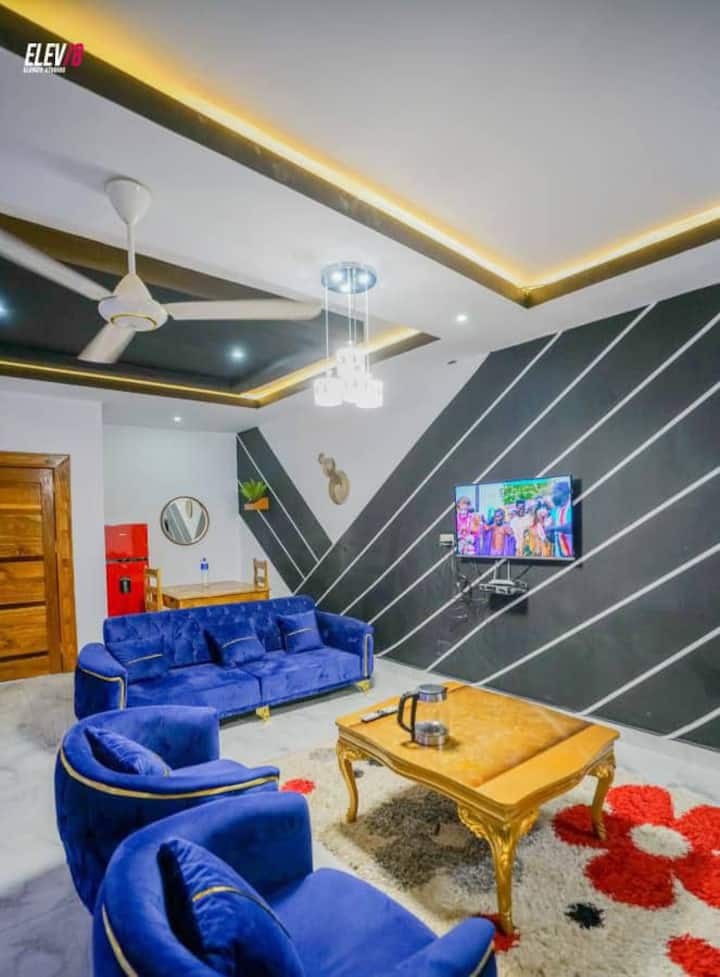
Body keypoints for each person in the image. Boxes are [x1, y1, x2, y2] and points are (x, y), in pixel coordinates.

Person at [545, 480, 573, 558]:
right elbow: (553, 538)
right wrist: (548, 534)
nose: (552, 496)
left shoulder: (571, 507)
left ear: (563, 492)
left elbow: (572, 527)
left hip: (571, 555)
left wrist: (552, 528)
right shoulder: (555, 511)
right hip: (560, 556)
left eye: (554, 492)